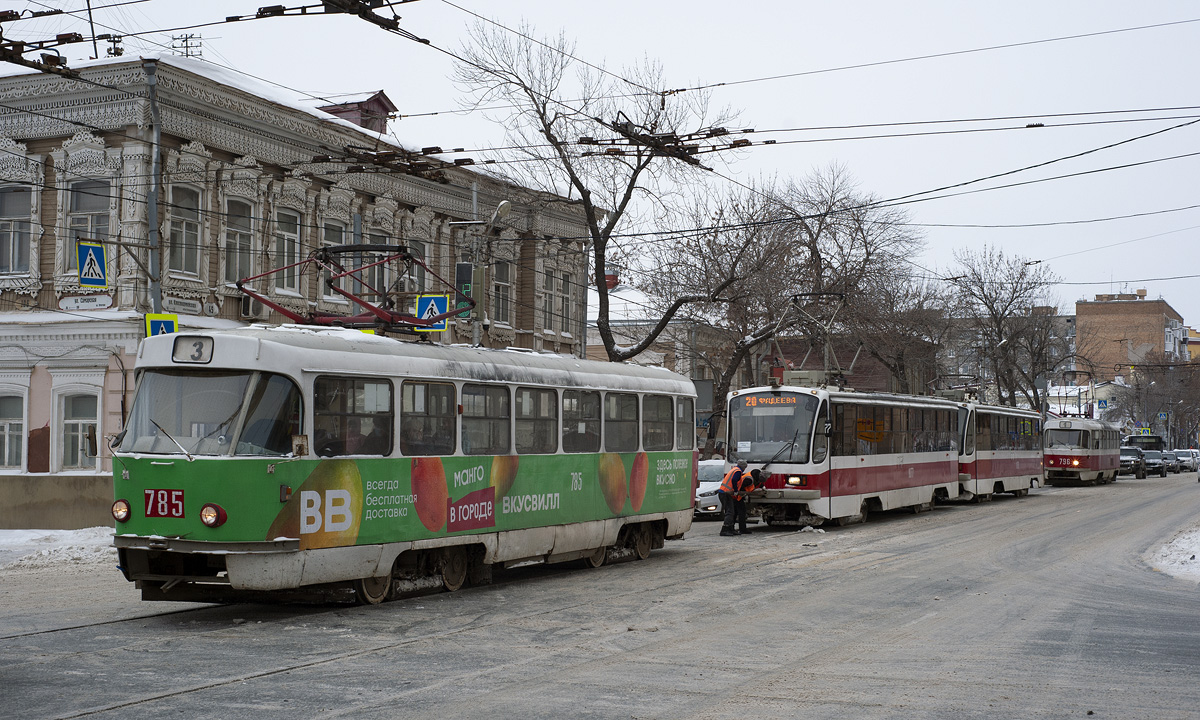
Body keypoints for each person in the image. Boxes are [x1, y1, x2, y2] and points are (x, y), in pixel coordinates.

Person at [719, 460, 753, 536]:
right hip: (726, 493)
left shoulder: (734, 470)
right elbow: (734, 480)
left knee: (731, 511)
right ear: (743, 466)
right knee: (730, 512)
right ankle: (725, 529)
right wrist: (736, 490)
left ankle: (731, 529)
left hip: (724, 492)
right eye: (745, 467)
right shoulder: (738, 471)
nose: (745, 469)